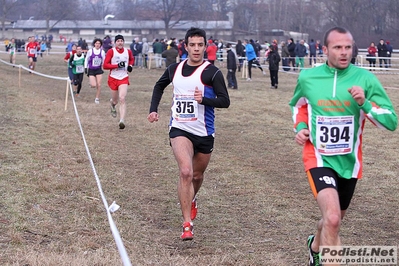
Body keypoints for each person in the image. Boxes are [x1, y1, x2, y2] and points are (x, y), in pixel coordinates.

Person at [289, 27, 397, 266]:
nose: (344, 52)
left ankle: (315, 246)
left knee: (331, 219)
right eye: (338, 47)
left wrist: (365, 104)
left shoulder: (365, 79)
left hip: (349, 163)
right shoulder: (308, 77)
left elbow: (391, 121)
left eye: (348, 47)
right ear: (325, 50)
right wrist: (301, 127)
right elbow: (299, 105)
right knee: (334, 218)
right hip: (318, 157)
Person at [147, 27, 230, 241]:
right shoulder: (175, 69)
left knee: (197, 176)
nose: (196, 49)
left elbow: (225, 101)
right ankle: (187, 224)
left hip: (204, 132)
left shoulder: (212, 72)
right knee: (185, 171)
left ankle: (192, 199)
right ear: (185, 46)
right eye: (192, 45)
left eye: (200, 45)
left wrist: (204, 100)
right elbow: (159, 86)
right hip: (179, 129)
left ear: (205, 46)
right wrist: (153, 109)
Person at [103, 35, 134, 130]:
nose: (120, 42)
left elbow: (132, 59)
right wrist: (116, 65)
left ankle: (122, 120)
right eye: (118, 41)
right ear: (115, 42)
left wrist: (130, 66)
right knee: (115, 100)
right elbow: (105, 65)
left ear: (123, 42)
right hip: (113, 78)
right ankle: (112, 105)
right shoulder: (111, 51)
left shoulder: (127, 51)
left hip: (123, 77)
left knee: (122, 98)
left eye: (121, 41)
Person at [85, 38, 106, 104]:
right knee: (93, 85)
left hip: (98, 69)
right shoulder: (90, 51)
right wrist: (85, 67)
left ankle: (97, 98)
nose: (97, 44)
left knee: (99, 85)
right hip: (91, 69)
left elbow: (104, 60)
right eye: (96, 43)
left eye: (99, 43)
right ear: (94, 44)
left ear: (100, 45)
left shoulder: (102, 52)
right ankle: (91, 83)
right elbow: (86, 59)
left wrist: (104, 65)